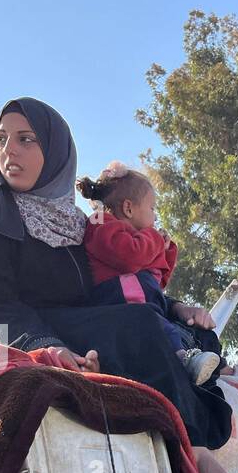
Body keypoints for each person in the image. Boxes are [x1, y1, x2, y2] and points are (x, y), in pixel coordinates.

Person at [0, 97, 238, 473]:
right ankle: (196, 448)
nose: (8, 151)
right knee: (137, 327)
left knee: (174, 327)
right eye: (1, 140)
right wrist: (48, 349)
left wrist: (178, 308)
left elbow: (113, 282)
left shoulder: (70, 222)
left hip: (64, 321)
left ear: (55, 151)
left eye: (26, 139)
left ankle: (213, 387)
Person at [77, 162, 220, 386]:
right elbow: (128, 256)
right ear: (129, 208)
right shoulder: (102, 224)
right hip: (123, 308)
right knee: (159, 328)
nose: (155, 218)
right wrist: (154, 240)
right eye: (152, 208)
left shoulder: (138, 241)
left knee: (194, 330)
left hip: (147, 305)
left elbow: (158, 281)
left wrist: (166, 249)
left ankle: (225, 370)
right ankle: (183, 362)